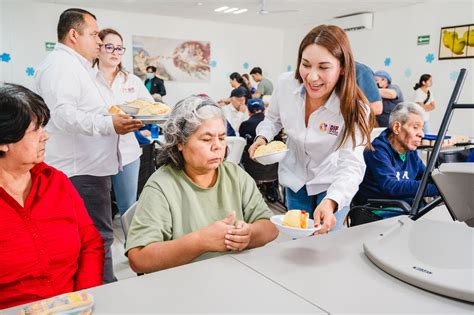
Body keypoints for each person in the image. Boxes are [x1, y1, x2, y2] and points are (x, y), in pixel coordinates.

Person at [34, 8, 143, 283]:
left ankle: (96, 287)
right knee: (97, 237)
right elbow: (63, 115)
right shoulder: (62, 66)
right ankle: (104, 291)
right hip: (80, 171)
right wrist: (110, 124)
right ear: (73, 35)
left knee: (96, 236)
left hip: (90, 169)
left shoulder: (77, 67)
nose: (98, 41)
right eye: (94, 34)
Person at [125, 95, 278, 274]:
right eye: (206, 139)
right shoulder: (162, 186)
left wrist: (249, 234)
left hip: (233, 278)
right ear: (180, 142)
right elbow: (139, 259)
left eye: (222, 138)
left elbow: (270, 226)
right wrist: (199, 241)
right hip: (184, 285)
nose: (217, 146)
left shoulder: (235, 175)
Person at [249, 25, 374, 233]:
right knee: (298, 242)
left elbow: (351, 164)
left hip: (332, 184)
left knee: (325, 246)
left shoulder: (355, 108)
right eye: (306, 65)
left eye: (324, 67)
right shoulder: (286, 85)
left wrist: (332, 201)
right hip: (296, 179)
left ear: (342, 68)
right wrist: (262, 137)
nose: (312, 77)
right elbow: (273, 118)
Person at [0, 84, 104, 309]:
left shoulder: (55, 181)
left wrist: (84, 297)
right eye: (35, 130)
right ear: (4, 142)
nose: (45, 136)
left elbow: (91, 243)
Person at [93, 28, 155, 216]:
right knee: (97, 208)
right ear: (98, 48)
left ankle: (132, 245)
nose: (115, 53)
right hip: (94, 154)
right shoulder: (86, 78)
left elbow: (149, 107)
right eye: (109, 47)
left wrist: (137, 115)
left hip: (128, 154)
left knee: (128, 206)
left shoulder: (132, 81)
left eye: (119, 48)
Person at [352, 102, 438, 217]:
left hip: (404, 207)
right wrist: (436, 188)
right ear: (397, 127)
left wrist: (443, 182)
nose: (421, 134)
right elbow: (391, 186)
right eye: (415, 127)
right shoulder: (376, 150)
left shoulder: (410, 152)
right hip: (376, 211)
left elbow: (427, 176)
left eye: (422, 128)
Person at [239, 98, 280, 201]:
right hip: (273, 171)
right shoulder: (276, 126)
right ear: (264, 109)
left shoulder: (244, 125)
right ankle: (272, 189)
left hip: (253, 171)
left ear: (248, 111)